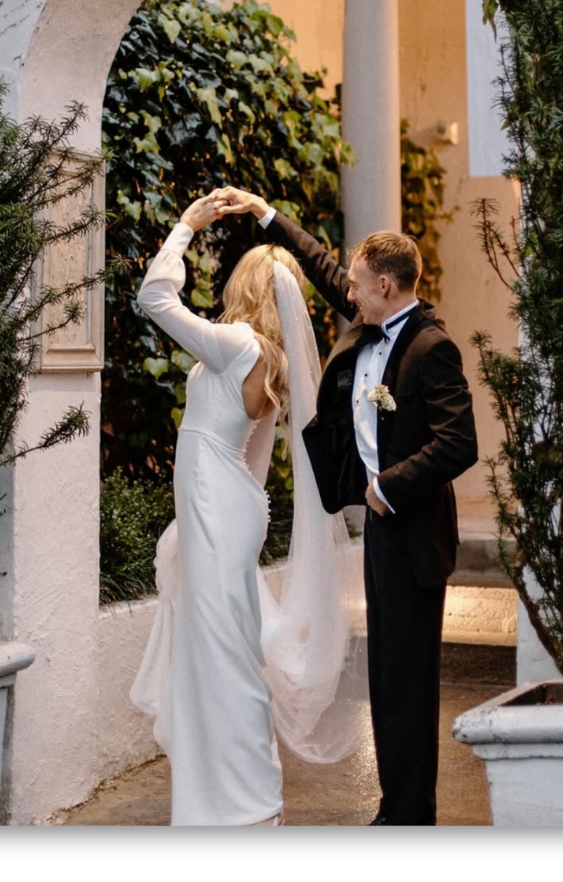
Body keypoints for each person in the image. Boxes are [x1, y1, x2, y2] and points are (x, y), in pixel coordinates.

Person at [212, 187, 479, 824]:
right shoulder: (371, 322)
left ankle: (410, 814)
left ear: (387, 284)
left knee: (408, 683)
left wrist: (388, 486)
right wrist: (262, 212)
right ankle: (397, 807)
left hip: (412, 534)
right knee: (387, 676)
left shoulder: (430, 347)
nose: (348, 293)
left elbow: (459, 442)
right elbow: (325, 268)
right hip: (383, 533)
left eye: (360, 284)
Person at [130, 193, 367, 825]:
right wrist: (213, 517)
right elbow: (251, 458)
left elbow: (153, 299)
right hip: (231, 506)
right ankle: (240, 794)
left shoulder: (235, 344)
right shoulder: (277, 361)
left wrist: (184, 227)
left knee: (222, 653)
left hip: (220, 508)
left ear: (246, 285)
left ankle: (237, 800)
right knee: (229, 649)